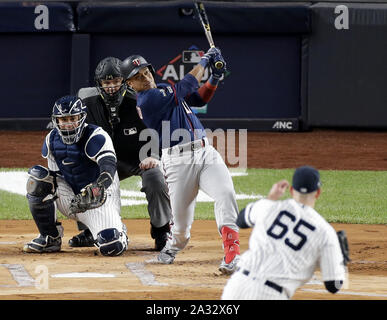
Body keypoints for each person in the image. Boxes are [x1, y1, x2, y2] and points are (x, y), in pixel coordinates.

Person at [121, 48, 241, 274]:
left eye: (145, 72)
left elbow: (199, 97)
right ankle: (172, 247)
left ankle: (232, 254)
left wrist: (214, 78)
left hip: (206, 152)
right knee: (182, 229)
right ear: (130, 85)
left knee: (226, 195)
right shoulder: (148, 100)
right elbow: (187, 86)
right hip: (178, 162)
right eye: (137, 77)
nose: (144, 78)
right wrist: (205, 61)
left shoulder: (165, 88)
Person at [71, 56, 172, 251]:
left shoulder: (139, 100)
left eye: (116, 81)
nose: (111, 86)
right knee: (80, 169)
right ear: (98, 83)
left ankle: (161, 229)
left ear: (125, 81)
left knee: (155, 177)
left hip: (136, 157)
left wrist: (154, 156)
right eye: (106, 82)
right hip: (103, 159)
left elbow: (157, 130)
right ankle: (90, 231)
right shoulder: (86, 100)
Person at [221, 166, 348, 299]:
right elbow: (333, 286)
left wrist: (270, 198)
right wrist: (340, 262)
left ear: (292, 190)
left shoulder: (269, 207)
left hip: (236, 287)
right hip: (271, 295)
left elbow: (241, 221)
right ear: (318, 193)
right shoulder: (326, 232)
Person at [23, 96, 128, 256]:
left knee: (111, 246)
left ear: (82, 117)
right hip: (73, 200)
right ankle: (50, 237)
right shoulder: (51, 139)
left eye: (73, 118)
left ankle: (119, 231)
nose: (69, 123)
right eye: (64, 119)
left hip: (99, 199)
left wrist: (97, 188)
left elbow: (108, 166)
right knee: (38, 180)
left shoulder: (96, 136)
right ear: (56, 121)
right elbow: (54, 178)